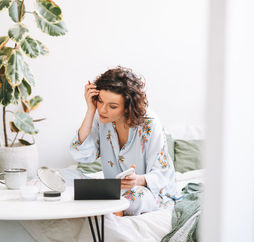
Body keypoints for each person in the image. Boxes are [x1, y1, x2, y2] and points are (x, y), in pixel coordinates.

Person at [70, 66, 176, 216]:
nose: (103, 110)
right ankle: (111, 208)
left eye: (112, 106)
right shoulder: (102, 117)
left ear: (128, 107)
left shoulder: (150, 123)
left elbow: (162, 174)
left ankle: (114, 214)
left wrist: (138, 180)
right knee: (68, 179)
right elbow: (81, 155)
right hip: (113, 191)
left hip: (148, 191)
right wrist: (90, 110)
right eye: (100, 101)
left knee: (135, 197)